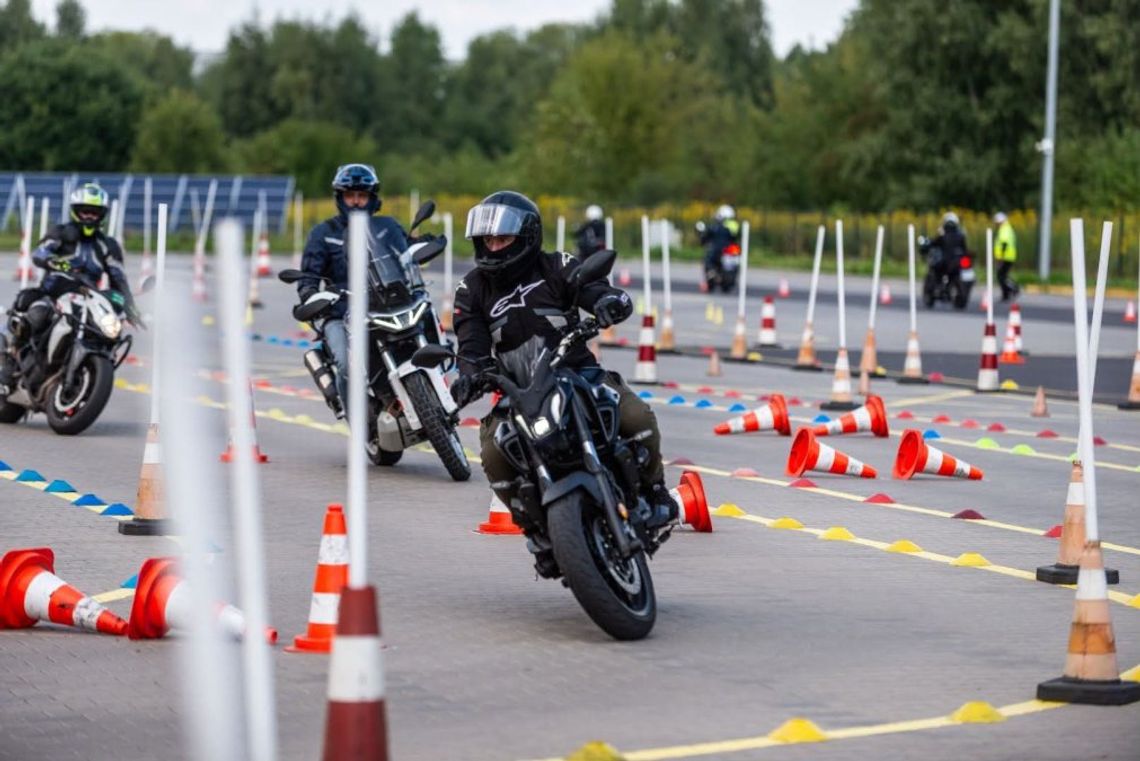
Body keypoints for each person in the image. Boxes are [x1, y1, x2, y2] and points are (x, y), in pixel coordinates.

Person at [450, 190, 677, 548]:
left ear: (526, 237)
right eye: (488, 240)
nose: (494, 247)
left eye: (503, 239)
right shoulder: (471, 289)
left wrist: (607, 301)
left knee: (637, 416)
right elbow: (471, 343)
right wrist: (468, 376)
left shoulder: (556, 265)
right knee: (493, 452)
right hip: (519, 392)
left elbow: (591, 287)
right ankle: (534, 528)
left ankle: (657, 490)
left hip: (575, 373)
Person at [296, 163, 410, 414]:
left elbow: (407, 253)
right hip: (340, 314)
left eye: (362, 195)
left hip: (385, 307)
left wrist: (425, 245)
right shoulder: (323, 234)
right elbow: (308, 277)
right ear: (340, 198)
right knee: (349, 365)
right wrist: (310, 296)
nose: (356, 202)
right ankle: (357, 419)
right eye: (351, 195)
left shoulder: (386, 227)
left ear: (372, 198)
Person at [6, 182, 138, 358]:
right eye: (85, 211)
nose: (90, 217)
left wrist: (129, 305)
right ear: (75, 211)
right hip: (53, 294)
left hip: (88, 299)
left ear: (102, 215)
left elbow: (118, 277)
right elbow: (40, 253)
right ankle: (12, 355)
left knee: (110, 330)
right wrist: (53, 262)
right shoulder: (60, 233)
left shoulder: (107, 245)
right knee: (35, 310)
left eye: (95, 212)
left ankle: (100, 358)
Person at [695, 204, 741, 281]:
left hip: (721, 248)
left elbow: (708, 234)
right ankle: (714, 273)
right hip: (730, 249)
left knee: (709, 257)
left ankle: (711, 271)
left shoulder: (718, 226)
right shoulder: (735, 225)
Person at [994, 211, 1019, 301]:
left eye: (997, 223)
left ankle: (1012, 289)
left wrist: (1000, 257)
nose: (996, 225)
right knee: (1002, 275)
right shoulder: (1006, 228)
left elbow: (1004, 243)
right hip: (1008, 256)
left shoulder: (1004, 229)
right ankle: (1007, 293)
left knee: (1001, 276)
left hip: (1006, 256)